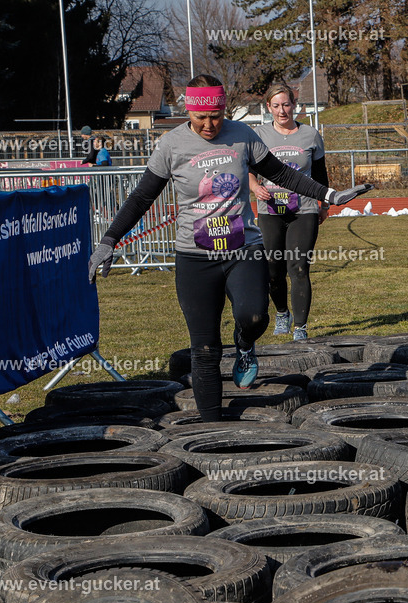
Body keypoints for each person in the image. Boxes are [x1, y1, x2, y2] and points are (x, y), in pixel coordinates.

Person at [88, 74, 370, 423]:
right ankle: (212, 429)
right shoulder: (171, 145)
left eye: (216, 117)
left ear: (224, 111)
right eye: (200, 118)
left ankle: (244, 344)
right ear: (188, 111)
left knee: (255, 316)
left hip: (243, 249)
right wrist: (108, 240)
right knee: (205, 348)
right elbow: (141, 197)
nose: (209, 125)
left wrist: (329, 195)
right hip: (195, 257)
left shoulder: (243, 136)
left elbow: (282, 174)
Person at [248, 84, 327, 340]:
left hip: (303, 210)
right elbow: (248, 170)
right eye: (276, 105)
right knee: (273, 269)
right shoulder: (258, 135)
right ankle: (282, 313)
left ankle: (300, 327)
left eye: (286, 104)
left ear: (294, 105)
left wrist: (324, 205)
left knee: (299, 267)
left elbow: (320, 175)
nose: (282, 110)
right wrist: (255, 187)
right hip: (270, 210)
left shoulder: (310, 135)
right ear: (268, 107)